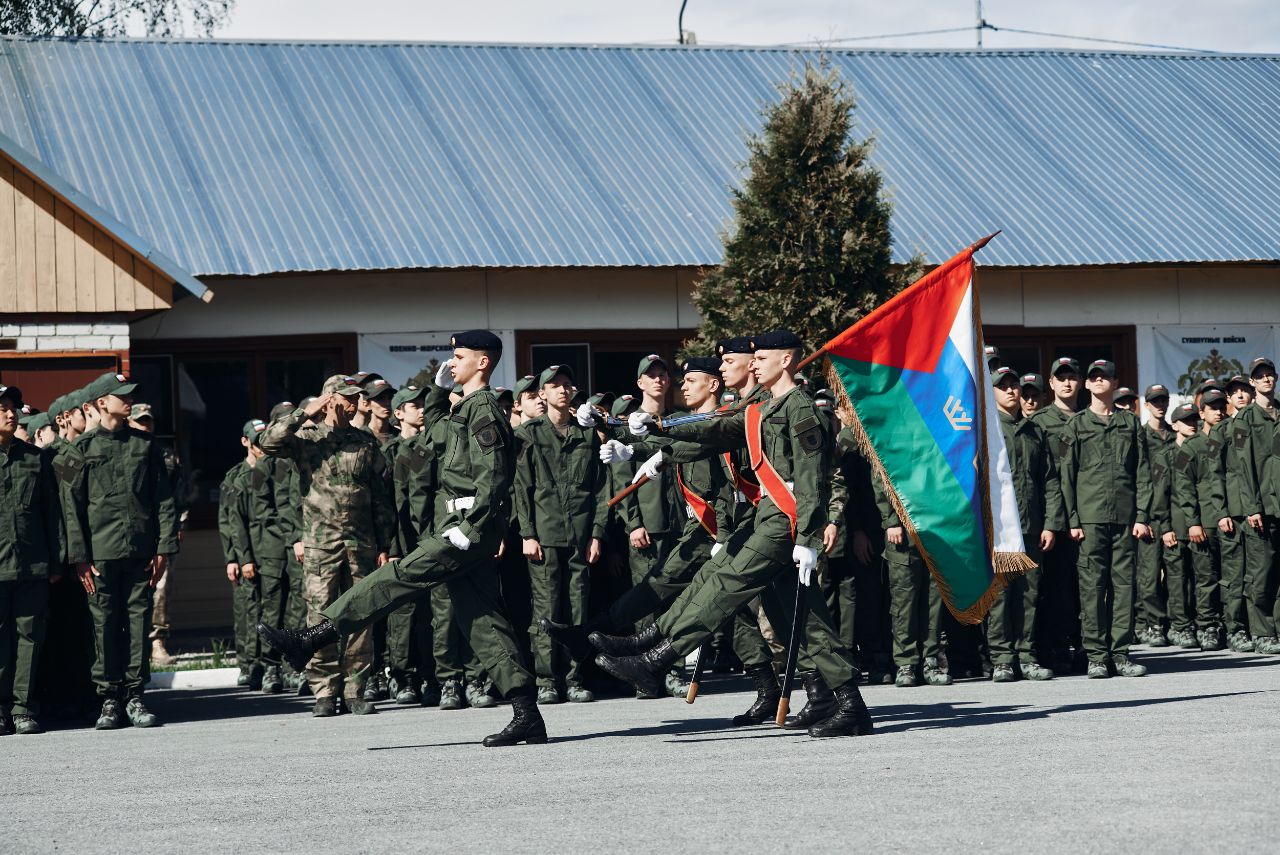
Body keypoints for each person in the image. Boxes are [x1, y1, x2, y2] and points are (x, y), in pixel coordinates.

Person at [259, 331, 547, 747]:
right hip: (461, 525)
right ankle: (526, 713)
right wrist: (438, 396)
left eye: (460, 356)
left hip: (465, 527)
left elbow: (496, 476)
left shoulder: (483, 409)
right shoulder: (464, 408)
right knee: (482, 619)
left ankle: (315, 636)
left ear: (482, 363)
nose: (452, 362)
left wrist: (470, 528)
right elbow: (426, 445)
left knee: (399, 576)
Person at [589, 331, 873, 739]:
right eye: (753, 357)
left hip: (785, 521)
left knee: (725, 581)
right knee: (801, 616)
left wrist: (809, 538)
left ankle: (657, 657)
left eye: (762, 357)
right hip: (768, 515)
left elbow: (812, 481)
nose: (754, 363)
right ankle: (845, 702)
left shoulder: (801, 408)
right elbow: (715, 432)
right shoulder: (762, 407)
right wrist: (652, 431)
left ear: (788, 360)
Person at [257, 375, 395, 717]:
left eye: (357, 398)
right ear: (331, 399)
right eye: (349, 398)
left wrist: (384, 543)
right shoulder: (305, 438)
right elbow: (268, 442)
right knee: (319, 615)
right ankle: (324, 690)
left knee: (360, 614)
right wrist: (306, 413)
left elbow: (380, 497)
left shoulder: (364, 441)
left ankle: (355, 689)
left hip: (361, 543)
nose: (356, 403)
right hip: (322, 544)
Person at [74, 372, 178, 728]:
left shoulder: (146, 446)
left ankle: (135, 696)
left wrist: (164, 546)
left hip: (140, 551)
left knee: (137, 623)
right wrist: (79, 557)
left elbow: (164, 500)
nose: (129, 400)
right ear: (102, 402)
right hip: (99, 555)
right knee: (103, 624)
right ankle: (108, 699)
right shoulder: (78, 451)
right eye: (122, 396)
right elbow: (68, 509)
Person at [514, 364, 608, 704]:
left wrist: (597, 533)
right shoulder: (529, 434)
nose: (562, 390)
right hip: (544, 535)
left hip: (581, 536)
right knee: (547, 610)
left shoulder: (586, 434)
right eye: (554, 385)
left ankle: (574, 677)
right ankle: (546, 680)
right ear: (542, 394)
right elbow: (521, 489)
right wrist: (527, 533)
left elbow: (601, 489)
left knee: (578, 610)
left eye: (567, 384)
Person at [1059, 359, 1152, 678]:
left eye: (1105, 377)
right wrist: (1072, 518)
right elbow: (1066, 475)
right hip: (1089, 519)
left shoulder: (1130, 423)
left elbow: (1142, 472)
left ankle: (1121, 653)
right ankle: (1097, 655)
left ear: (1114, 383)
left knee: (1125, 586)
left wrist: (1142, 515)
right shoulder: (1077, 424)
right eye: (1093, 377)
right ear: (1087, 385)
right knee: (1092, 587)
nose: (1099, 381)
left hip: (1125, 518)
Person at [984, 368, 1063, 681]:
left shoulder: (1034, 431)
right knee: (1000, 594)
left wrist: (1050, 523)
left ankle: (1027, 655)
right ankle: (1002, 657)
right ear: (992, 393)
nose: (1010, 391)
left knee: (1029, 593)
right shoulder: (985, 430)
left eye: (1013, 386)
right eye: (1002, 387)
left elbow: (1049, 480)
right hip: (1000, 527)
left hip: (1030, 524)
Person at [0, 385, 64, 736]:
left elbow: (51, 515)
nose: (11, 414)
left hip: (32, 564)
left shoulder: (34, 459)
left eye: (12, 407)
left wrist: (56, 561)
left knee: (30, 637)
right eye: (3, 408)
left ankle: (23, 708)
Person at [230, 418, 299, 694]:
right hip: (271, 548)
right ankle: (270, 666)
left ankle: (292, 665)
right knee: (272, 607)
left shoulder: (294, 462)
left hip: (294, 545)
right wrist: (244, 556)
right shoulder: (261, 470)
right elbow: (256, 513)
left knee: (297, 608)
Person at [1033, 356, 1083, 674]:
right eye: (1060, 378)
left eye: (1072, 377)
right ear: (1050, 383)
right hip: (1055, 519)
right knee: (1053, 589)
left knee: (1084, 589)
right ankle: (1052, 648)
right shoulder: (1039, 422)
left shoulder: (1089, 420)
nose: (1066, 383)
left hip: (1087, 517)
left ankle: (1080, 646)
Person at [131, 402, 188, 668]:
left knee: (161, 589)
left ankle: (157, 642)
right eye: (140, 420)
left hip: (162, 533)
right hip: (132, 534)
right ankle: (133, 645)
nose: (145, 425)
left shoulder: (166, 455)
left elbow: (180, 496)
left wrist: (178, 527)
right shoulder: (126, 452)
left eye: (148, 421)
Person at [1230, 359, 1280, 654]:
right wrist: (1251, 508)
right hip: (1262, 505)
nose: (1266, 380)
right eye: (1260, 376)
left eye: (1270, 375)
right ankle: (1262, 632)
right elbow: (1242, 467)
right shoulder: (1244, 419)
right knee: (1262, 572)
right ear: (1252, 382)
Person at [219, 424, 259, 689]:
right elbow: (227, 521)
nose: (262, 445)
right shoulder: (235, 477)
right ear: (245, 441)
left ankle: (270, 663)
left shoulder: (276, 470)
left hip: (271, 551)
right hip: (245, 553)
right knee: (247, 609)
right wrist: (232, 558)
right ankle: (247, 664)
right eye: (257, 440)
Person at [1137, 384, 1176, 648]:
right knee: (1149, 579)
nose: (1159, 405)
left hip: (1174, 516)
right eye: (1154, 401)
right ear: (1147, 405)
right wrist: (1143, 517)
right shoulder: (1140, 436)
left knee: (1176, 576)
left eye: (1163, 400)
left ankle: (1174, 624)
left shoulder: (1176, 436)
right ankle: (1153, 624)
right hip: (1150, 516)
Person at [1164, 402, 1204, 649]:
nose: (1191, 425)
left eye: (1193, 420)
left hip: (1198, 524)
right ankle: (1180, 626)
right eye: (1185, 421)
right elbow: (1160, 495)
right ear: (1175, 425)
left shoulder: (1201, 450)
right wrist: (1165, 527)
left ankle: (1202, 623)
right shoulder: (1166, 455)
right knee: (1177, 579)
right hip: (1176, 527)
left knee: (1201, 577)